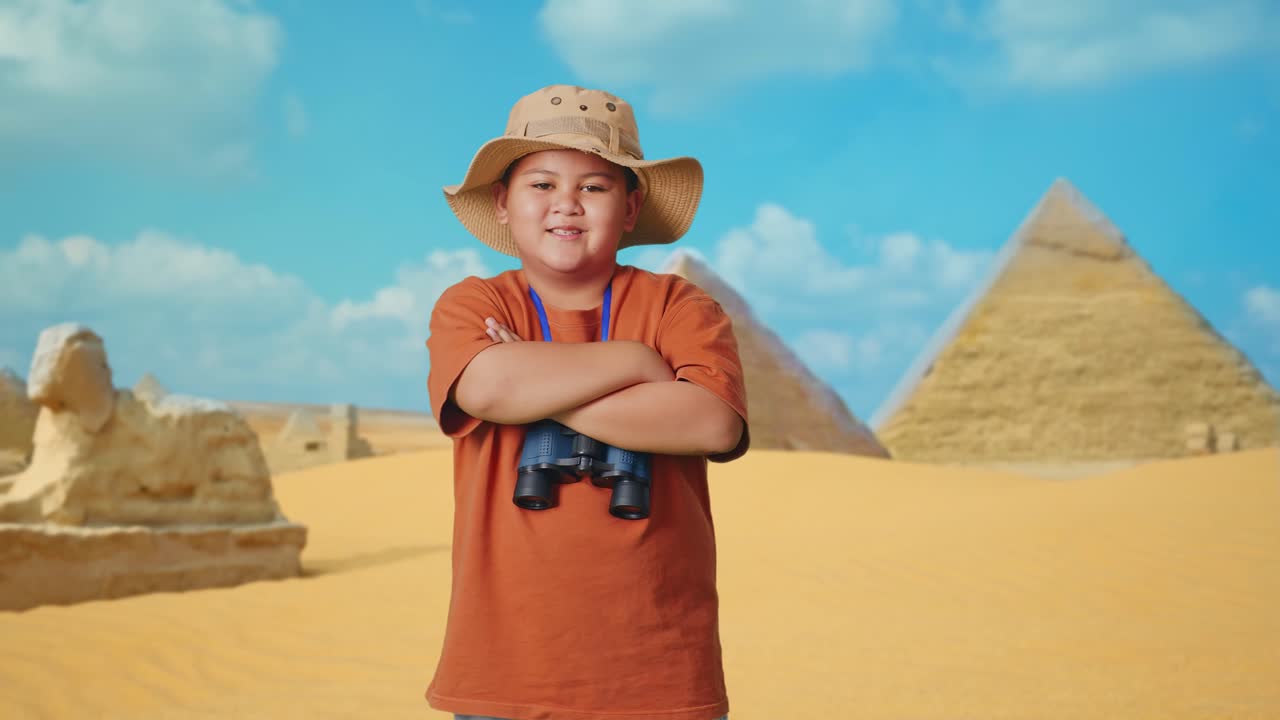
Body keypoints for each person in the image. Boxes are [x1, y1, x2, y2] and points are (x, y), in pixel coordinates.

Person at [425, 84, 750, 720]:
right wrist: (635, 363)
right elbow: (487, 387)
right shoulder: (474, 304)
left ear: (630, 208)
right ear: (502, 204)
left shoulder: (680, 306)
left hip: (657, 670)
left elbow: (711, 422)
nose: (566, 206)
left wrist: (534, 386)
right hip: (504, 669)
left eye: (595, 188)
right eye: (541, 185)